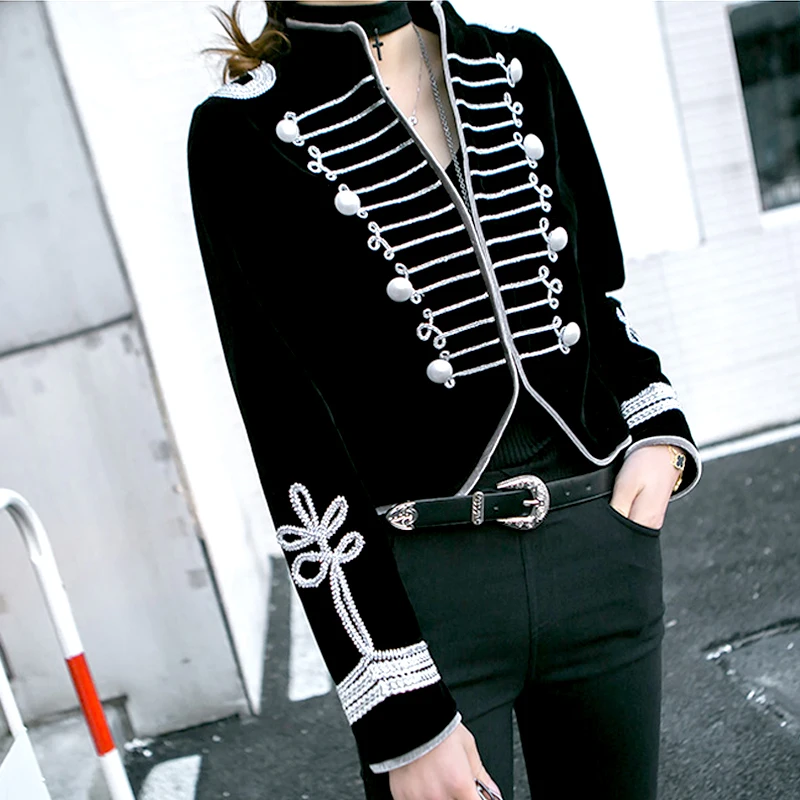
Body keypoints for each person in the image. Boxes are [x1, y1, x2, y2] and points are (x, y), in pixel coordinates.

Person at [187, 2, 701, 798]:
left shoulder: (521, 69)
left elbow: (597, 297)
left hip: (599, 542)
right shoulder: (241, 134)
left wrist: (659, 438)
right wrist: (393, 704)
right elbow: (287, 431)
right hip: (425, 596)